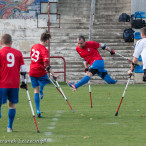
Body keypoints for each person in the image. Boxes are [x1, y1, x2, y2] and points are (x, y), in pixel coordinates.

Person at [0, 34, 26, 132]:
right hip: (14, 84)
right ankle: (9, 127)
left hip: (2, 84)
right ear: (11, 42)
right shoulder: (18, 53)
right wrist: (24, 82)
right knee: (11, 105)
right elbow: (23, 69)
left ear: (0, 42)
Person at [29, 31, 58, 118]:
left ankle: (37, 110)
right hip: (39, 71)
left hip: (31, 71)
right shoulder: (44, 50)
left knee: (35, 90)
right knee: (46, 80)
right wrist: (54, 74)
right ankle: (41, 89)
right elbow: (46, 65)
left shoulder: (34, 46)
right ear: (46, 40)